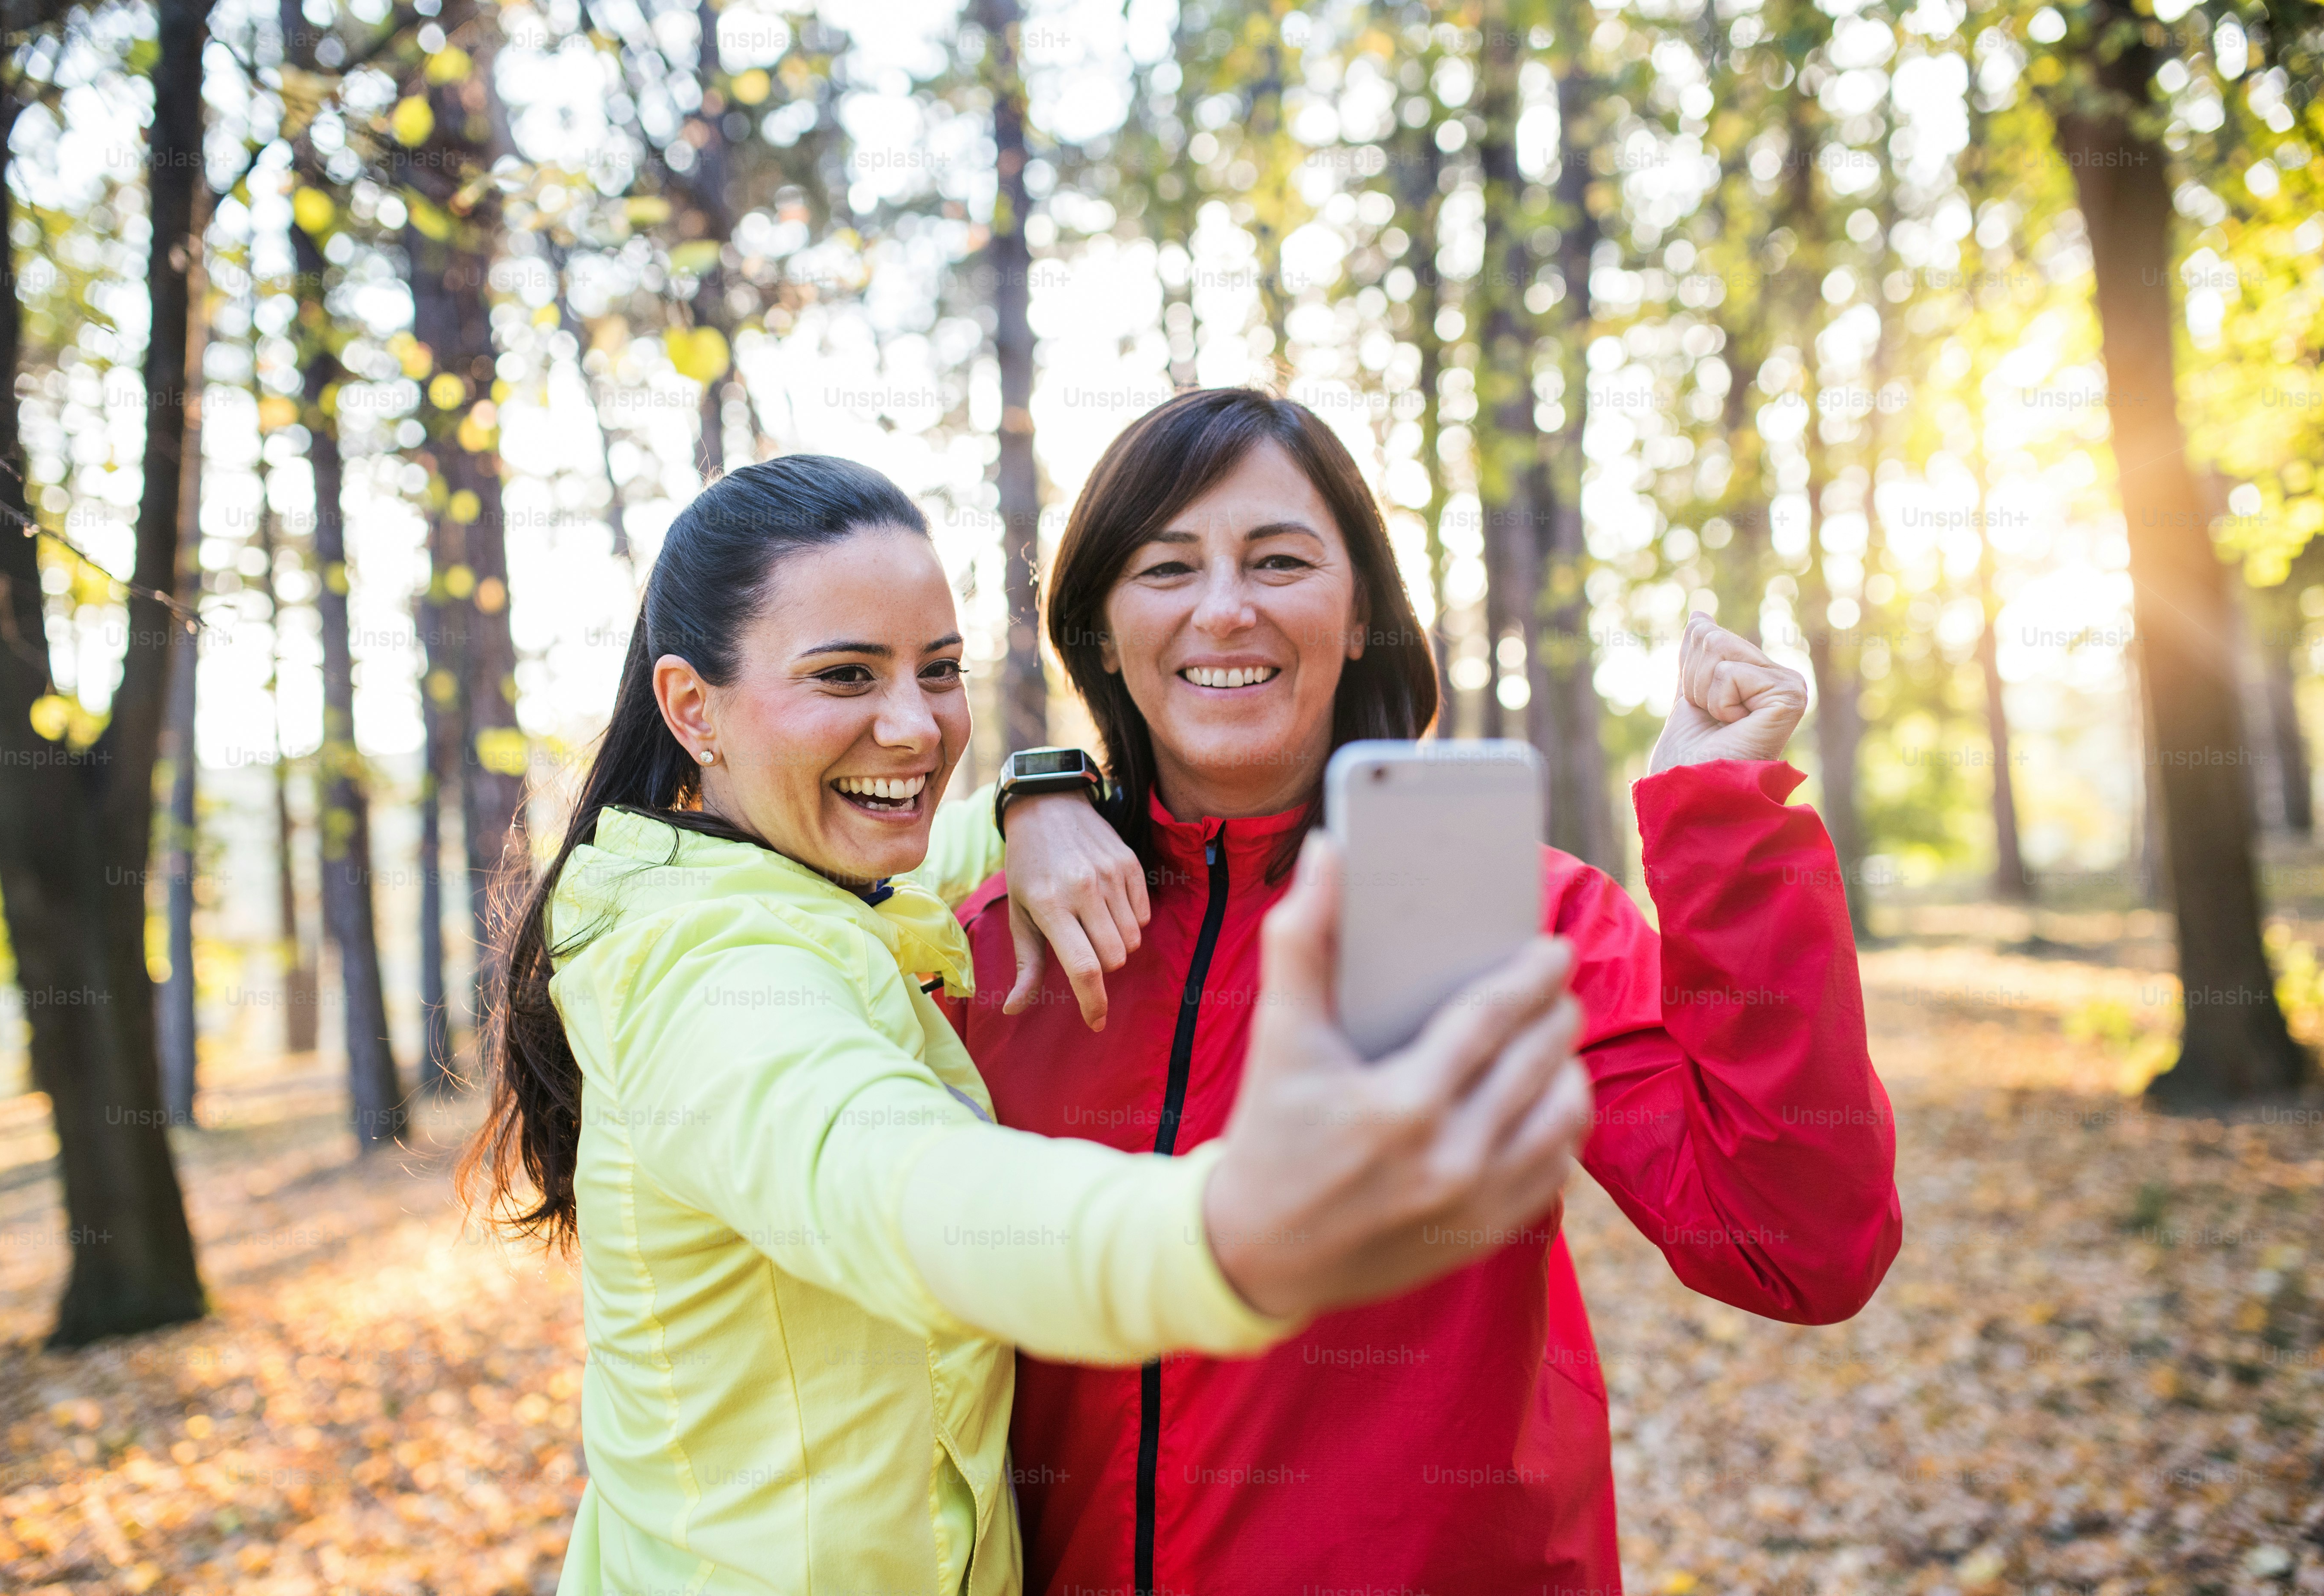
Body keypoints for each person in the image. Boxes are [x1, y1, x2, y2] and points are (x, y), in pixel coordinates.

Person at [462, 453, 1595, 1596]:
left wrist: (1039, 795)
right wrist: (1229, 1230)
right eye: (846, 676)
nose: (913, 728)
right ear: (691, 706)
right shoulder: (705, 972)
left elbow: (950, 838)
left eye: (939, 670)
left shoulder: (814, 876)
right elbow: (898, 1188)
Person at [956, 389, 1905, 1595]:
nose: (1225, 608)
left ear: (1360, 621)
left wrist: (1720, 823)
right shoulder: (995, 945)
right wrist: (1033, 793)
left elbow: (1799, 1249)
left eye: (1280, 559)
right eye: (1166, 567)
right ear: (1096, 628)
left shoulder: (1515, 907)